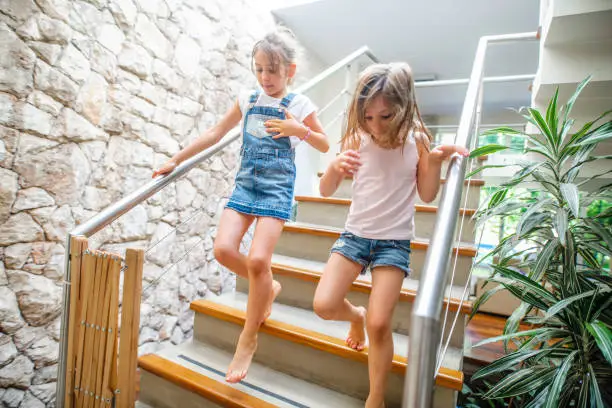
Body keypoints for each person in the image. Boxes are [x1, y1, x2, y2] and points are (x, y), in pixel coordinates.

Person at [153, 28, 329, 383]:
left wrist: (299, 130)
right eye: (260, 69)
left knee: (260, 261)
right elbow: (215, 134)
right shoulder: (247, 98)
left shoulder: (299, 105)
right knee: (222, 250)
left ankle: (247, 338)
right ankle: (268, 287)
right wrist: (176, 158)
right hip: (246, 186)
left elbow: (325, 145)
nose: (266, 78)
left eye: (273, 71)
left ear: (290, 71)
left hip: (277, 190)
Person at [313, 63, 468, 407]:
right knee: (323, 305)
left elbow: (427, 194)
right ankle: (356, 317)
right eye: (368, 117)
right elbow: (325, 190)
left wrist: (437, 161)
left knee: (381, 324)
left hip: (393, 243)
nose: (376, 125)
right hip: (355, 236)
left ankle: (377, 397)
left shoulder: (418, 141)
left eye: (385, 116)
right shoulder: (357, 137)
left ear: (403, 107)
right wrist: (335, 168)